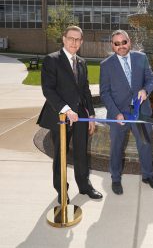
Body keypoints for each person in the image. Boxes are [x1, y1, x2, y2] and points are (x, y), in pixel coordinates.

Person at [37, 25, 103, 203]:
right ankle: (61, 191)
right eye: (71, 38)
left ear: (81, 42)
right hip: (60, 116)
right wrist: (66, 110)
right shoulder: (52, 60)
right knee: (61, 154)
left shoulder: (81, 62)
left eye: (77, 39)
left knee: (82, 152)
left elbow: (85, 90)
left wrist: (91, 115)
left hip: (80, 115)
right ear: (64, 39)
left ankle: (84, 186)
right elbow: (48, 90)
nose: (74, 42)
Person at [100, 29, 153, 195]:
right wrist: (115, 113)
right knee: (116, 148)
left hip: (140, 112)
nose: (121, 46)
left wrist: (145, 90)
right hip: (118, 115)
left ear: (130, 42)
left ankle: (148, 176)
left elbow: (151, 79)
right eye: (117, 43)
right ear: (112, 46)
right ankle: (115, 178)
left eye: (124, 42)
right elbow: (104, 93)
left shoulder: (141, 58)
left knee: (145, 145)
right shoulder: (106, 65)